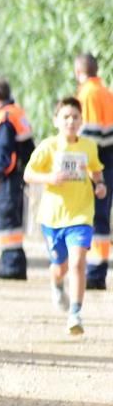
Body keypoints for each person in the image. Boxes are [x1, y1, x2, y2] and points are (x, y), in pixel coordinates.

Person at [23, 96, 106, 334]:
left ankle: (75, 314)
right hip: (53, 217)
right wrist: (49, 178)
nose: (71, 121)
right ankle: (57, 284)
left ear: (81, 120)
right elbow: (28, 174)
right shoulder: (49, 146)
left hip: (81, 214)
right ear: (56, 120)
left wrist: (100, 185)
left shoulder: (89, 146)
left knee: (78, 262)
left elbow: (96, 170)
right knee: (60, 266)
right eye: (66, 117)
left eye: (75, 117)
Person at [0, 78, 35, 280]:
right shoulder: (16, 113)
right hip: (15, 176)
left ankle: (11, 265)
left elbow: (6, 152)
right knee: (11, 220)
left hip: (7, 178)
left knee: (7, 220)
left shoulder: (4, 118)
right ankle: (13, 263)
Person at [73, 53, 113, 289]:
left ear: (78, 72)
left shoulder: (87, 94)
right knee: (102, 215)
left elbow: (89, 136)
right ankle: (97, 269)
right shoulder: (107, 93)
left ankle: (95, 272)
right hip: (109, 159)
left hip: (97, 162)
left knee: (95, 216)